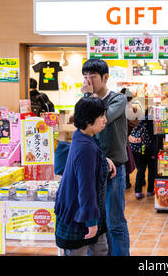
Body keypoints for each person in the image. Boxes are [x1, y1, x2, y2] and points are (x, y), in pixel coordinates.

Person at [80, 59, 130, 256]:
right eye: (85, 77)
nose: (88, 81)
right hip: (92, 168)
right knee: (96, 219)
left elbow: (102, 119)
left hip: (114, 169)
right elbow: (82, 125)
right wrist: (87, 97)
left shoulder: (118, 99)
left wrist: (88, 96)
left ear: (105, 78)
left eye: (92, 77)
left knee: (114, 220)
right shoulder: (86, 99)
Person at [54, 97, 115, 256]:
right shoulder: (85, 147)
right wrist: (91, 222)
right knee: (80, 252)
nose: (105, 120)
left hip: (86, 210)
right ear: (88, 121)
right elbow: (86, 188)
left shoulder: (82, 136)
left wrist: (104, 161)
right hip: (80, 213)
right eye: (101, 116)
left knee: (101, 249)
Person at [129, 108, 156, 199]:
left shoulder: (141, 121)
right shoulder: (151, 122)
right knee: (151, 171)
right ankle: (150, 190)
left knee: (140, 170)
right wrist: (153, 153)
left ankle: (138, 191)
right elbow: (152, 139)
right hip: (148, 150)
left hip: (139, 150)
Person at [121, 88, 143, 190]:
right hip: (135, 140)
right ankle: (141, 180)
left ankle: (127, 182)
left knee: (126, 161)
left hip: (124, 140)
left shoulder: (120, 109)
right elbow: (139, 122)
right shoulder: (134, 109)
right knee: (139, 162)